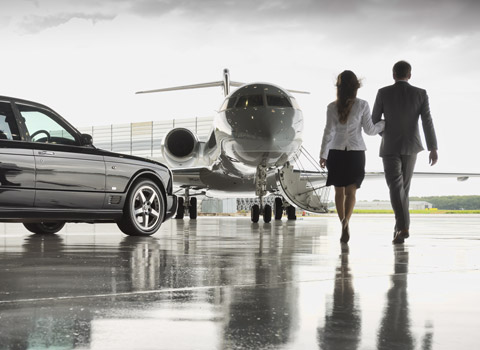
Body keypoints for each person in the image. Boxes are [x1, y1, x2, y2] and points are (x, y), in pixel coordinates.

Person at [371, 60, 438, 244]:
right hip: (411, 146)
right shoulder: (420, 94)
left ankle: (401, 227)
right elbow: (427, 122)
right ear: (409, 75)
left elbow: (374, 120)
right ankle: (401, 228)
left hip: (390, 146)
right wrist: (433, 147)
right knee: (403, 189)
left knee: (395, 186)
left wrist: (387, 133)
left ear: (393, 74)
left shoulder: (383, 92)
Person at [320, 70, 385, 243]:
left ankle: (342, 222)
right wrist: (384, 123)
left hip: (335, 152)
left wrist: (323, 154)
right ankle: (346, 221)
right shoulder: (362, 105)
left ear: (338, 87)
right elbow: (370, 130)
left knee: (338, 192)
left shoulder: (331, 107)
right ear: (356, 86)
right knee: (351, 191)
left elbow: (328, 132)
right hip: (356, 153)